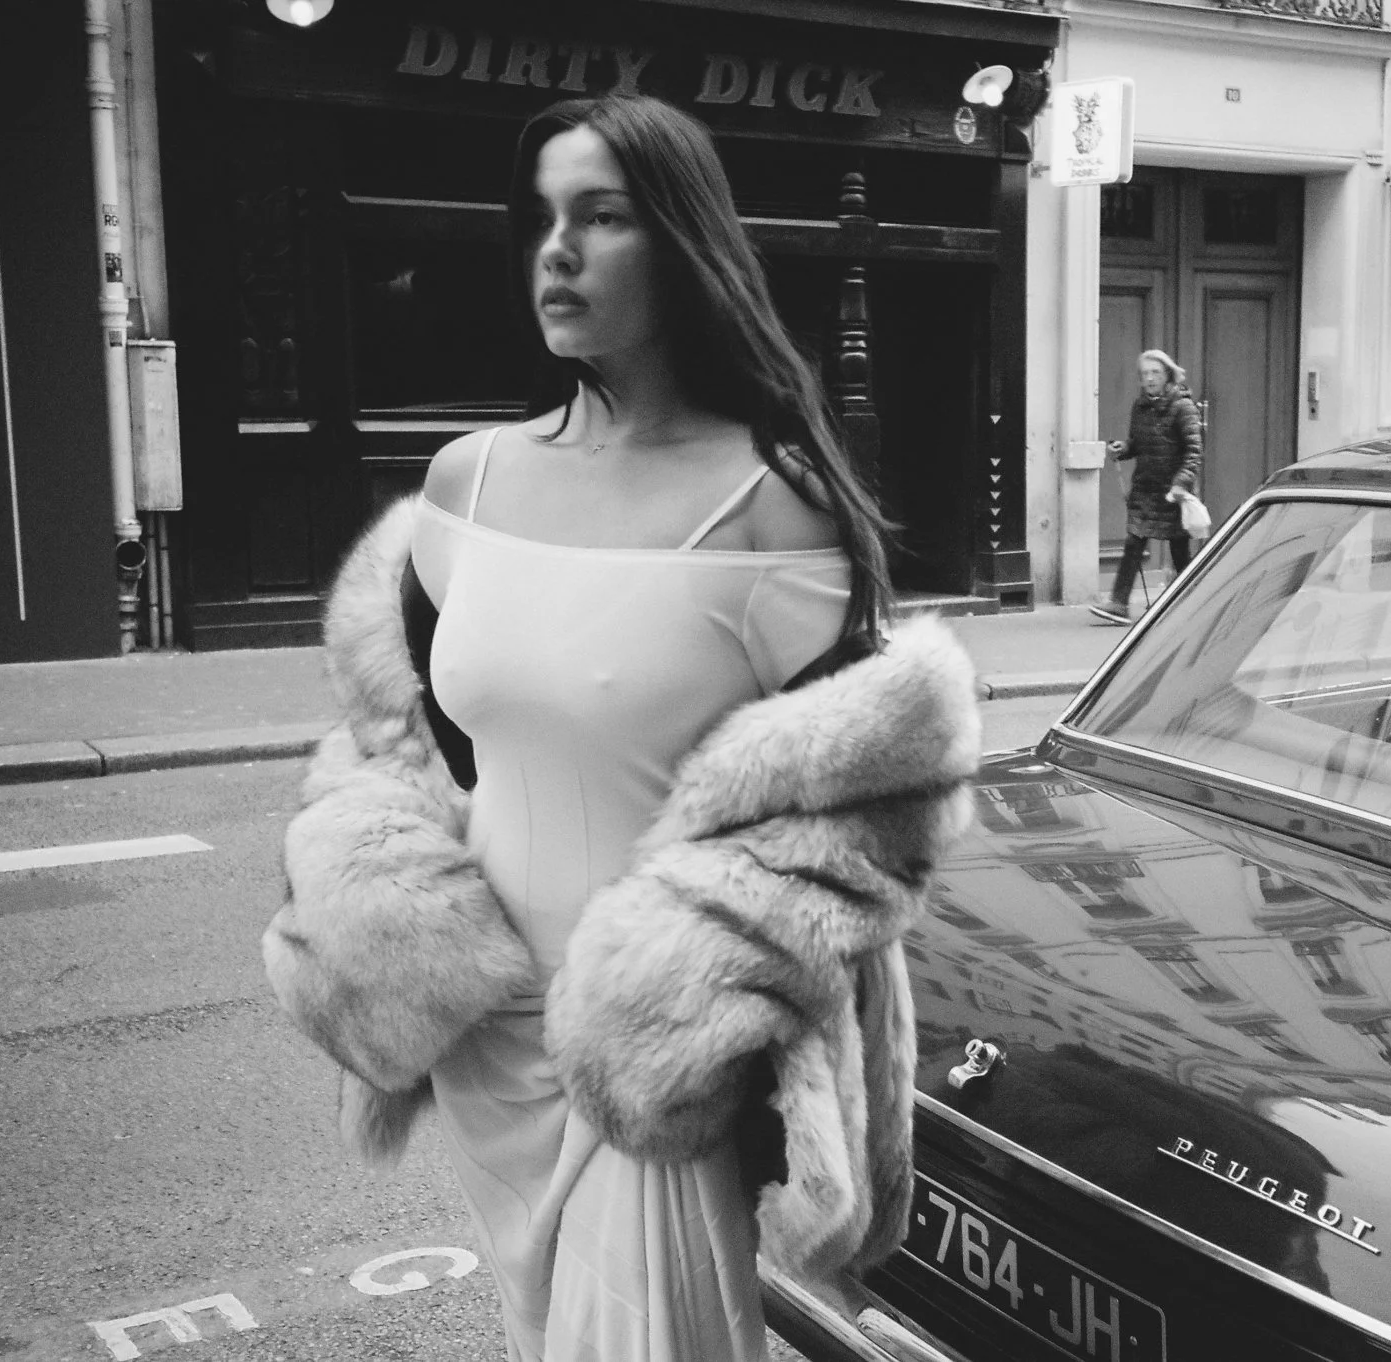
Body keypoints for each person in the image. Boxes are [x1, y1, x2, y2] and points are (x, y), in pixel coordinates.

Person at [262, 95, 981, 1361]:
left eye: (600, 217)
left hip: (648, 1063)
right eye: (541, 219)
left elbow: (866, 817)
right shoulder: (464, 483)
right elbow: (433, 744)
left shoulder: (767, 506)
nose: (556, 251)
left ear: (684, 245)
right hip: (491, 1050)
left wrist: (699, 983)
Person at [1090, 349, 1204, 625]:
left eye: (1155, 373)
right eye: (1144, 374)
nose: (1149, 378)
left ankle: (1192, 602)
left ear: (1167, 375)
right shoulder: (1139, 407)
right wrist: (1124, 449)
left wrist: (1181, 484)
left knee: (1179, 550)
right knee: (1134, 542)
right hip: (1145, 488)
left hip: (1172, 491)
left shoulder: (1183, 407)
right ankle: (1119, 603)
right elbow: (1138, 444)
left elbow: (1193, 451)